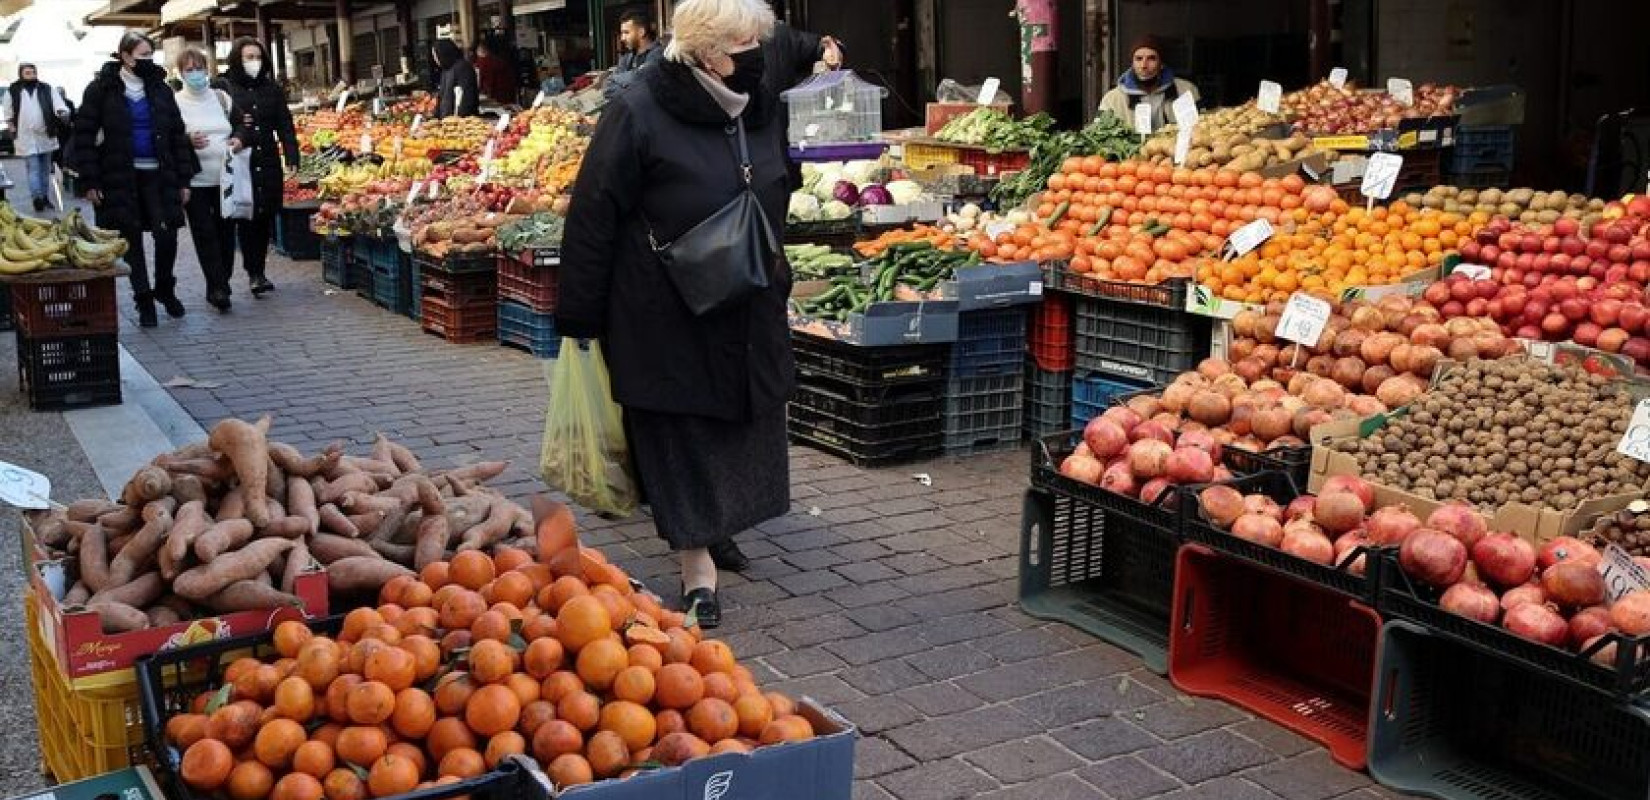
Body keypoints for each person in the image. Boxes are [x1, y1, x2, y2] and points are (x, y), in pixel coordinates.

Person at [558, 0, 794, 629]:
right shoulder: (638, 111)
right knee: (680, 427)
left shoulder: (766, 106)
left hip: (746, 296)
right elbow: (593, 213)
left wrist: (778, 267)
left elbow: (780, 185)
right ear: (707, 52)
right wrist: (580, 316)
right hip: (663, 308)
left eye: (758, 41)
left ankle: (718, 524)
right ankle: (697, 570)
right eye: (745, 43)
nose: (757, 54)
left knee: (741, 419)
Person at [71, 32, 199, 328]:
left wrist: (184, 180)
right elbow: (84, 137)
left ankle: (165, 288)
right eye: (141, 56)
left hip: (160, 175)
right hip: (120, 177)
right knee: (130, 241)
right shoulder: (101, 89)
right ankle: (143, 300)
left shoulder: (160, 89)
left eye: (149, 56)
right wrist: (90, 182)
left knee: (166, 234)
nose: (146, 61)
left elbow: (177, 136)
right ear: (125, 56)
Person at [216, 37, 300, 299]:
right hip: (238, 160)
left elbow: (284, 124)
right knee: (238, 216)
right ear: (236, 59)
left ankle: (257, 272)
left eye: (257, 57)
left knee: (261, 217)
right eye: (247, 57)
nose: (253, 62)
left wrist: (291, 154)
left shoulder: (271, 88)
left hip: (266, 159)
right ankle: (222, 278)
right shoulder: (223, 86)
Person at [174, 47, 245, 312]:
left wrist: (238, 138)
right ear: (180, 73)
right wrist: (187, 140)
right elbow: (169, 138)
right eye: (189, 70)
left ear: (207, 69)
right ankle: (217, 287)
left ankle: (220, 281)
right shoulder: (175, 102)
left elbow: (241, 124)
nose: (195, 74)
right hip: (196, 181)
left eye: (199, 68)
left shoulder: (221, 98)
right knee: (205, 234)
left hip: (225, 179)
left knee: (226, 234)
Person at [1097, 35, 1199, 132]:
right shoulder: (1112, 99)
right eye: (1139, 59)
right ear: (1132, 63)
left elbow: (1197, 129)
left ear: (1161, 64)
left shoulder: (1185, 90)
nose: (1143, 65)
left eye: (1151, 58)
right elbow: (1100, 135)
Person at [5, 64, 70, 212]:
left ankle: (45, 197)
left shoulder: (46, 88)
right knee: (33, 168)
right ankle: (37, 198)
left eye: (33, 72)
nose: (31, 75)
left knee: (45, 169)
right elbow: (8, 110)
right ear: (21, 74)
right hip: (25, 136)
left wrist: (62, 112)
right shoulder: (13, 90)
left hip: (45, 134)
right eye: (27, 73)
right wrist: (11, 125)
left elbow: (58, 103)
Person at [433, 39, 479, 118]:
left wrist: (458, 120)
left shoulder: (463, 68)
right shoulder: (446, 69)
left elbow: (467, 97)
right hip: (446, 120)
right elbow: (441, 96)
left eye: (435, 55)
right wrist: (437, 116)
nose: (435, 59)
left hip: (460, 121)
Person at [474, 38, 516, 105]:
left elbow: (484, 83)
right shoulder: (500, 61)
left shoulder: (482, 63)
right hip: (508, 96)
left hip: (495, 98)